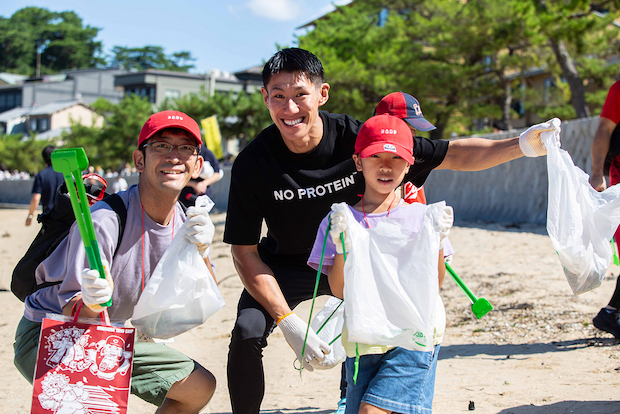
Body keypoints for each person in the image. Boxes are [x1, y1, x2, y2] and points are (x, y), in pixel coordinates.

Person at [223, 47, 561, 414]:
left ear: (322, 94)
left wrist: (522, 144)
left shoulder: (358, 138)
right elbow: (244, 252)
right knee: (246, 332)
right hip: (284, 265)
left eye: (300, 95)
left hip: (355, 262)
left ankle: (348, 398)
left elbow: (453, 154)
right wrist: (287, 320)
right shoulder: (252, 163)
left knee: (371, 322)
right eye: (278, 97)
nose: (290, 109)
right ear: (265, 99)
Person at [14, 110, 217, 414]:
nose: (174, 157)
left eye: (185, 148)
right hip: (53, 332)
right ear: (140, 159)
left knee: (198, 386)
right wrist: (93, 300)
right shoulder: (106, 219)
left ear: (198, 165)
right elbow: (73, 307)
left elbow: (203, 293)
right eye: (161, 146)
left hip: (112, 333)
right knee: (94, 406)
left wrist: (202, 248)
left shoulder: (186, 222)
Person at [308, 114, 453, 413]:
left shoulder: (423, 217)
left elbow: (433, 285)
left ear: (410, 162)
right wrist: (343, 244)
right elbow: (339, 291)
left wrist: (436, 239)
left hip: (414, 334)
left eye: (396, 157)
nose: (386, 166)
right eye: (375, 156)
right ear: (358, 161)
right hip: (364, 341)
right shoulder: (340, 220)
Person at [589, 79, 620, 338]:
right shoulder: (619, 90)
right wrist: (597, 173)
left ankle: (610, 314)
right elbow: (604, 130)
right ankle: (609, 314)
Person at [26, 145, 65, 226]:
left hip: (49, 217)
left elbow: (36, 198)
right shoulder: (67, 174)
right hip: (67, 218)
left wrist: (30, 215)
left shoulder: (41, 175)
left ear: (44, 159)